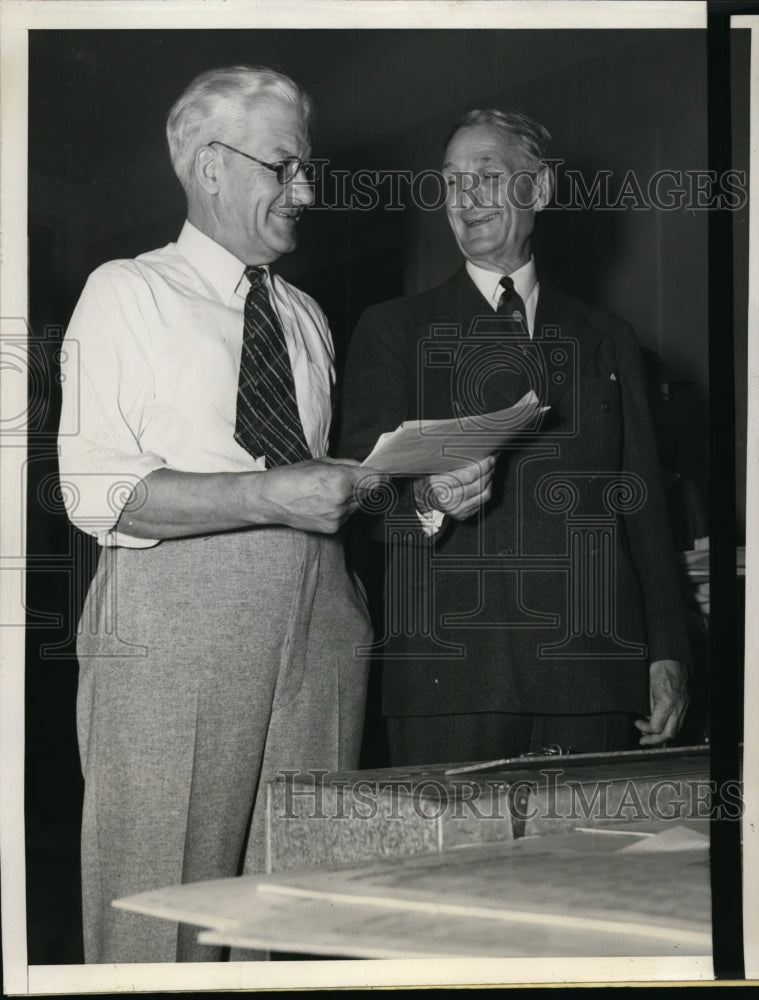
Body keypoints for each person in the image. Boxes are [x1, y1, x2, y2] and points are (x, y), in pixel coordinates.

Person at [57, 65, 377, 963]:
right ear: (208, 165)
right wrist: (263, 495)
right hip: (175, 632)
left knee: (294, 913)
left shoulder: (308, 315)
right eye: (284, 167)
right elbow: (94, 489)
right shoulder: (128, 292)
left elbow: (319, 485)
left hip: (318, 628)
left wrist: (416, 487)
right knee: (160, 916)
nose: (304, 190)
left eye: (305, 169)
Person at [339, 109, 690, 766]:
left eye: (487, 174)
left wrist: (666, 651)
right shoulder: (393, 330)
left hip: (593, 673)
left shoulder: (606, 337)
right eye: (450, 181)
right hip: (453, 678)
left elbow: (642, 508)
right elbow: (356, 491)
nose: (465, 197)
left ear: (540, 190)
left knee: (587, 864)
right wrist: (426, 499)